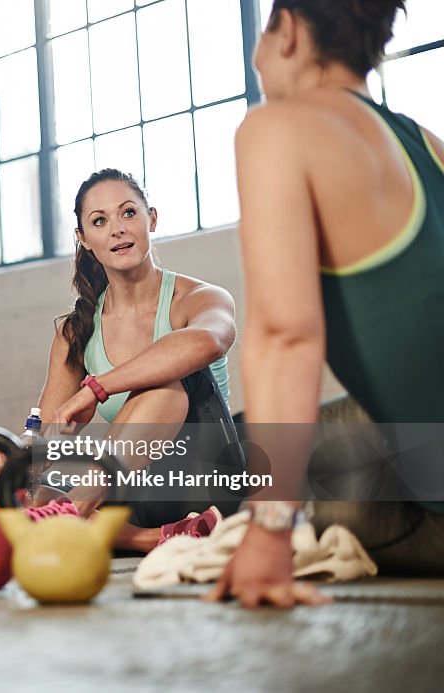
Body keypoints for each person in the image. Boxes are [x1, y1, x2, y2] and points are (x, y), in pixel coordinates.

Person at [208, 0, 444, 609]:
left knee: (295, 455)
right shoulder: (429, 144)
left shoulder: (278, 127)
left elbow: (286, 334)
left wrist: (269, 529)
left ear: (285, 30)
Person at [0, 168, 246, 551]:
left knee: (165, 379)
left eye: (129, 213)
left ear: (151, 219)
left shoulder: (199, 297)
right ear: (84, 239)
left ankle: (71, 518)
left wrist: (98, 388)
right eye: (99, 221)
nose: (117, 229)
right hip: (133, 493)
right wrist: (25, 460)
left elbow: (209, 340)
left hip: (205, 479)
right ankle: (156, 538)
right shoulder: (76, 330)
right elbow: (51, 433)